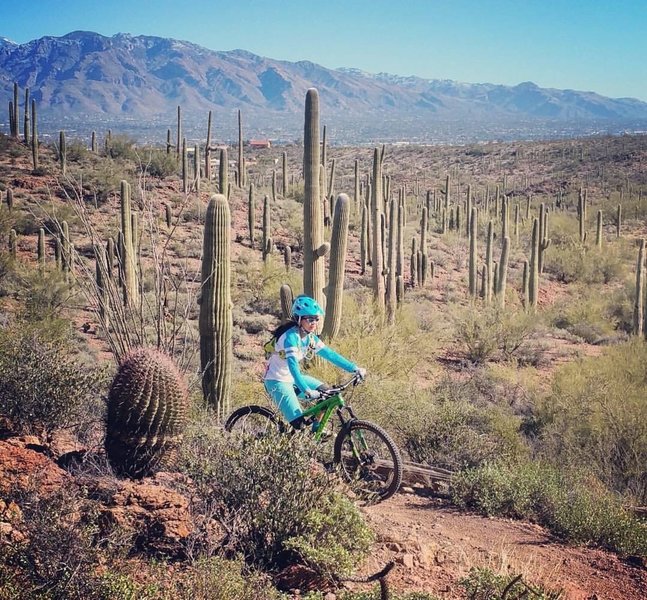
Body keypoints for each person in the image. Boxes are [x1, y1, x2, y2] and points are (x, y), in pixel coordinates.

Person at [263, 295, 366, 431]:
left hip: (292, 379)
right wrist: (306, 390)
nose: (314, 323)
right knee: (299, 426)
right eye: (310, 319)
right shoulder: (291, 338)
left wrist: (354, 368)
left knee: (328, 393)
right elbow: (293, 367)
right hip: (277, 381)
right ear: (299, 319)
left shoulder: (310, 338)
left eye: (316, 319)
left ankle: (317, 429)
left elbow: (330, 355)